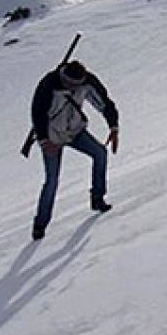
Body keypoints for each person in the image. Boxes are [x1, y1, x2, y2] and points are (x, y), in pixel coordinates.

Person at [30, 60, 119, 240]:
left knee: (100, 153)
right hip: (52, 137)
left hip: (75, 131)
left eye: (75, 85)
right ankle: (40, 224)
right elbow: (37, 113)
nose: (72, 87)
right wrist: (44, 141)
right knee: (52, 180)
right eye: (69, 83)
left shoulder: (88, 82)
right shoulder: (48, 84)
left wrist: (113, 126)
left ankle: (98, 199)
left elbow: (104, 102)